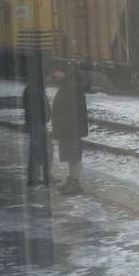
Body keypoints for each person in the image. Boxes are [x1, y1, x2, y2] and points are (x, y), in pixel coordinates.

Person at [50, 63, 89, 195]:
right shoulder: (68, 85)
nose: (55, 75)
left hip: (71, 130)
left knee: (74, 157)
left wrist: (64, 126)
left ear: (63, 72)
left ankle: (75, 183)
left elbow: (72, 111)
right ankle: (72, 180)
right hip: (68, 129)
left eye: (57, 72)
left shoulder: (70, 86)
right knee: (71, 157)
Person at [22, 50, 52, 187]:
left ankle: (37, 176)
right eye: (46, 78)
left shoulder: (32, 88)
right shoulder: (34, 89)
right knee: (38, 150)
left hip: (37, 124)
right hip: (37, 125)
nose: (48, 80)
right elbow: (37, 108)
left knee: (39, 150)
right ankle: (34, 178)